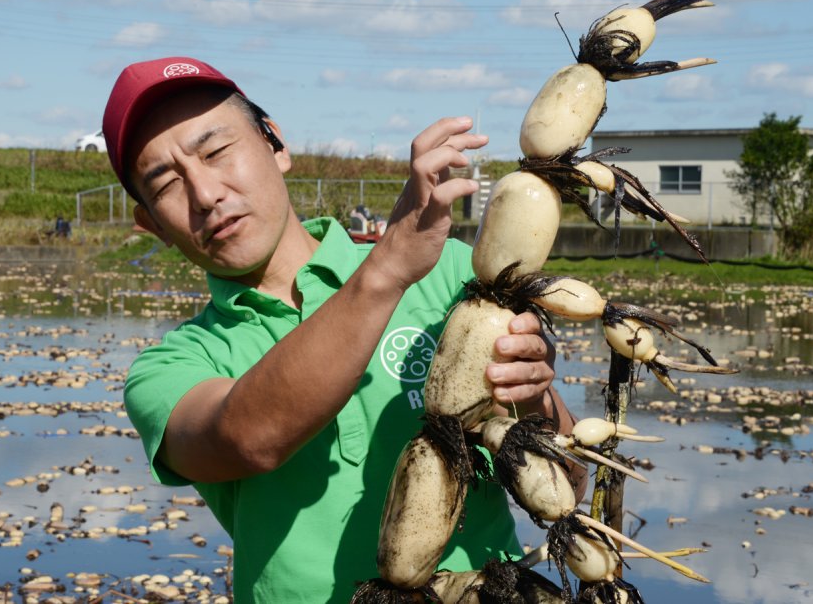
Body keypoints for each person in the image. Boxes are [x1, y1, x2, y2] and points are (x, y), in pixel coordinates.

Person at [102, 57, 585, 603]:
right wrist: (383, 273)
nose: (206, 193)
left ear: (274, 144)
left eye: (216, 152)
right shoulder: (173, 367)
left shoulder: (451, 276)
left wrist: (536, 398)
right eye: (166, 183)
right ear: (152, 225)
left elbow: (569, 480)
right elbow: (248, 437)